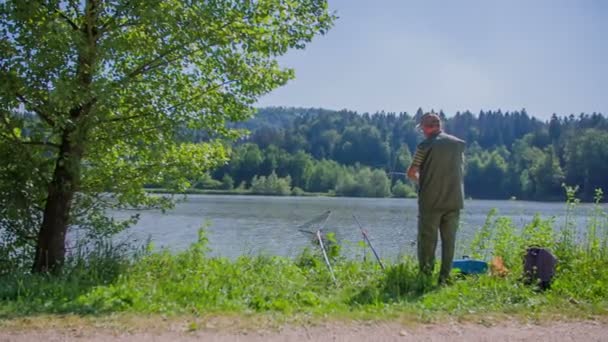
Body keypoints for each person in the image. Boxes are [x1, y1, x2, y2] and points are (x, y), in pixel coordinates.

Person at [407, 112, 465, 285]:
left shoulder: (424, 146)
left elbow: (411, 173)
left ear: (425, 127)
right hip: (454, 200)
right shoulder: (458, 145)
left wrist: (422, 181)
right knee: (449, 242)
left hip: (430, 202)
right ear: (439, 126)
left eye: (422, 129)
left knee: (427, 241)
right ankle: (445, 278)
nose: (422, 132)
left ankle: (425, 277)